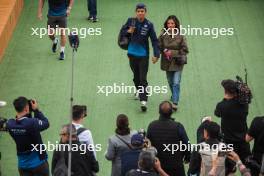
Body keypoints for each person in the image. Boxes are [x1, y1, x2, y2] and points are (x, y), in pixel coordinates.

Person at [121, 3, 160, 112]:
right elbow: (122, 32)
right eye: (138, 11)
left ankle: (143, 101)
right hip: (132, 54)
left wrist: (156, 54)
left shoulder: (149, 24)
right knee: (136, 77)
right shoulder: (130, 21)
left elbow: (154, 40)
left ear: (145, 12)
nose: (140, 13)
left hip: (143, 56)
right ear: (136, 12)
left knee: (143, 78)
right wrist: (128, 31)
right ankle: (139, 90)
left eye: (142, 11)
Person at [6, 97, 50, 176]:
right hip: (39, 164)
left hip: (23, 166)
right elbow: (46, 123)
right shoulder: (32, 123)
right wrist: (36, 110)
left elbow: (23, 122)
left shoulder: (10, 124)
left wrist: (28, 113)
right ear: (26, 108)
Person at [147, 101, 190, 176]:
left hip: (158, 166)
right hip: (176, 166)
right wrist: (187, 157)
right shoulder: (178, 126)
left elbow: (148, 145)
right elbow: (186, 144)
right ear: (171, 112)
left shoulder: (152, 126)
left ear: (159, 112)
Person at [215, 79, 251, 164]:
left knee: (228, 169)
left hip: (228, 143)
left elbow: (217, 114)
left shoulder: (222, 105)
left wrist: (225, 100)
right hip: (243, 142)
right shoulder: (244, 105)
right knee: (248, 167)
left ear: (225, 91)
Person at [157, 15, 189, 111]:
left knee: (176, 82)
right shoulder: (163, 35)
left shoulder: (181, 36)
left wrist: (173, 52)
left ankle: (175, 102)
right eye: (168, 23)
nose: (170, 25)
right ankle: (173, 95)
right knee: (170, 81)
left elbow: (185, 50)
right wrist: (164, 50)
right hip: (166, 62)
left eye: (172, 23)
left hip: (178, 62)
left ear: (176, 25)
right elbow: (158, 45)